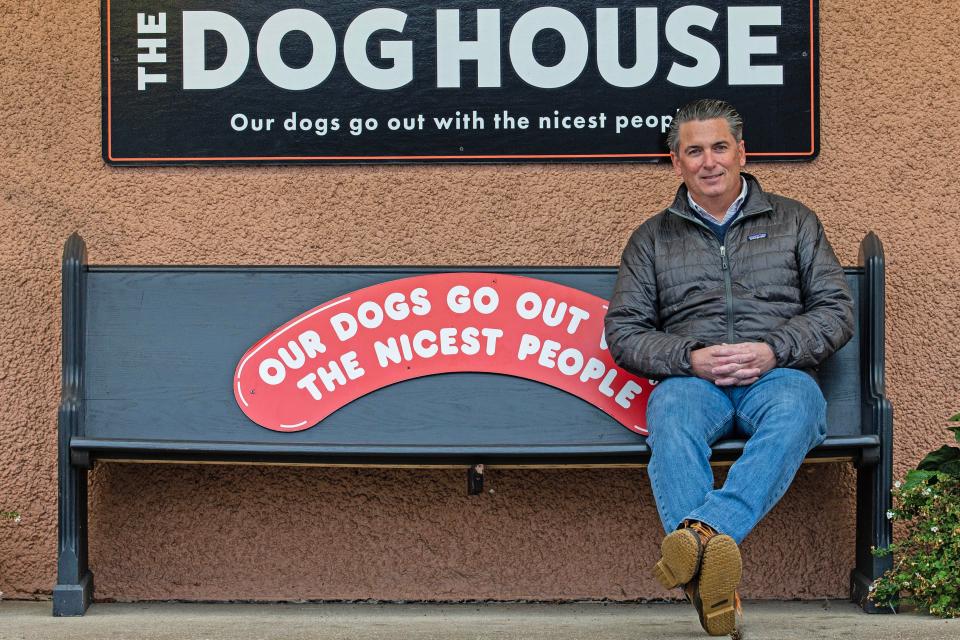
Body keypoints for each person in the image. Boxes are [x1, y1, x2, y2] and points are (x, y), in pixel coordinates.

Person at [603, 99, 854, 636]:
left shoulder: (794, 222)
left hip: (778, 376)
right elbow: (624, 333)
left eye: (719, 147)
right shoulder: (652, 239)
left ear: (742, 152)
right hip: (696, 384)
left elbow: (835, 312)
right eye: (694, 151)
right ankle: (713, 578)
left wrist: (774, 349)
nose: (709, 161)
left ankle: (699, 535)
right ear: (677, 163)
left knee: (800, 406)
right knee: (667, 411)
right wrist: (687, 357)